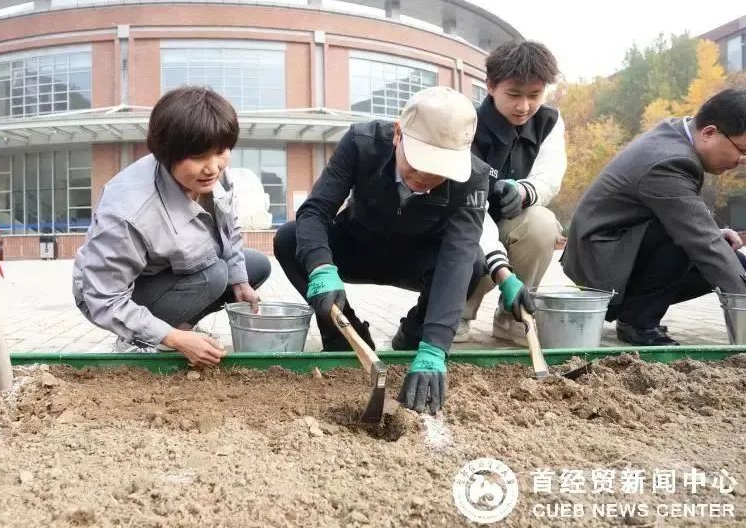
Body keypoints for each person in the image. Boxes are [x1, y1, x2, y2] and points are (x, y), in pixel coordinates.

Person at [273, 86, 535, 413]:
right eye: (417, 168)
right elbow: (315, 211)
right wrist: (321, 267)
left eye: (438, 176)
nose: (423, 182)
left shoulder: (473, 176)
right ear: (398, 134)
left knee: (471, 264)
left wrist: (436, 345)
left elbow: (458, 253)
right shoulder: (361, 143)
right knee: (290, 238)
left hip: (416, 259)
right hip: (357, 246)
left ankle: (412, 339)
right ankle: (345, 334)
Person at [73, 86, 271, 364]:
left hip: (171, 267)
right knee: (214, 274)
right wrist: (173, 339)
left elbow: (230, 228)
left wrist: (240, 280)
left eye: (221, 151)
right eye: (198, 156)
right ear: (167, 153)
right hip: (110, 292)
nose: (213, 167)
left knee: (253, 267)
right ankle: (141, 338)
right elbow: (103, 298)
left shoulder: (216, 177)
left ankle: (177, 325)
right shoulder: (128, 211)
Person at [563, 87, 746, 346]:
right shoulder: (670, 160)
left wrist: (716, 234)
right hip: (601, 263)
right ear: (709, 133)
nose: (742, 161)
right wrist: (741, 299)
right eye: (742, 151)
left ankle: (636, 312)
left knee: (731, 261)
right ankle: (638, 321)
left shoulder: (677, 134)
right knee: (692, 242)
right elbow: (698, 237)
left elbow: (685, 211)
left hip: (618, 246)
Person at [463, 40, 566, 346]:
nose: (524, 107)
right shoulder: (467, 121)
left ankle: (513, 316)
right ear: (491, 86)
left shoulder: (549, 121)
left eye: (534, 95)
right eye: (514, 95)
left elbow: (550, 174)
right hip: (467, 217)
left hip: (511, 219)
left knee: (542, 223)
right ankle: (457, 313)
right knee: (466, 234)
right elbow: (464, 202)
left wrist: (524, 191)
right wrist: (499, 267)